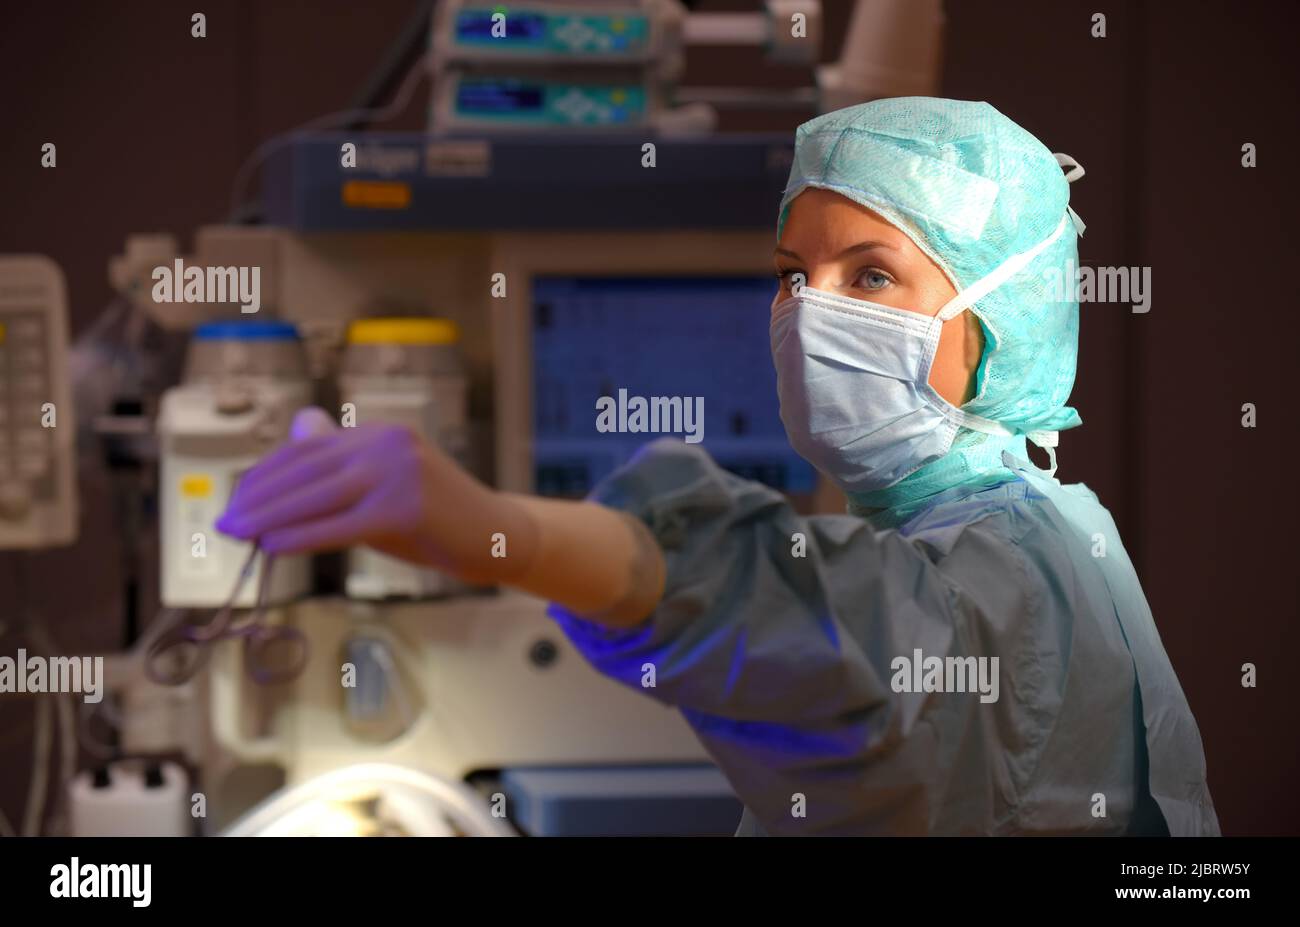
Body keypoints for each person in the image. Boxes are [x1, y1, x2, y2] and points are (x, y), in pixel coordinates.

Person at [217, 97, 1219, 836]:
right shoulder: (1028, 521)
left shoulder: (1006, 571)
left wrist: (494, 526)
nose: (809, 313)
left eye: (870, 274)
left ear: (999, 322)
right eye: (793, 276)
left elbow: (816, 626)